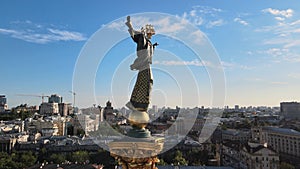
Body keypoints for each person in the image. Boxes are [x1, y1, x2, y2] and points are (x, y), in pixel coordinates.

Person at [125, 16, 158, 112]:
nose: (151, 35)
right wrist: (130, 26)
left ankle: (138, 104)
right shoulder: (143, 39)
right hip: (144, 65)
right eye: (150, 33)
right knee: (147, 82)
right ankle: (137, 104)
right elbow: (136, 36)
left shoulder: (149, 43)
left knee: (145, 83)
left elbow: (149, 53)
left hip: (146, 65)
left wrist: (153, 47)